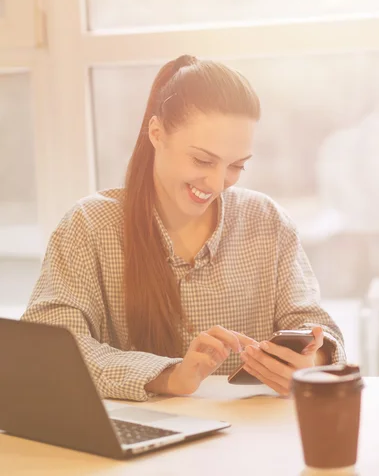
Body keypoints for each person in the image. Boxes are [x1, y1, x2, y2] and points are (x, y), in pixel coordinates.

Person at [22, 55, 345, 402]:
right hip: (132, 447)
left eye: (236, 165)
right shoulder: (89, 226)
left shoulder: (266, 221)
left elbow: (316, 326)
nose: (218, 182)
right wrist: (168, 376)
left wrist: (313, 359)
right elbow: (47, 349)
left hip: (253, 442)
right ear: (156, 133)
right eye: (202, 160)